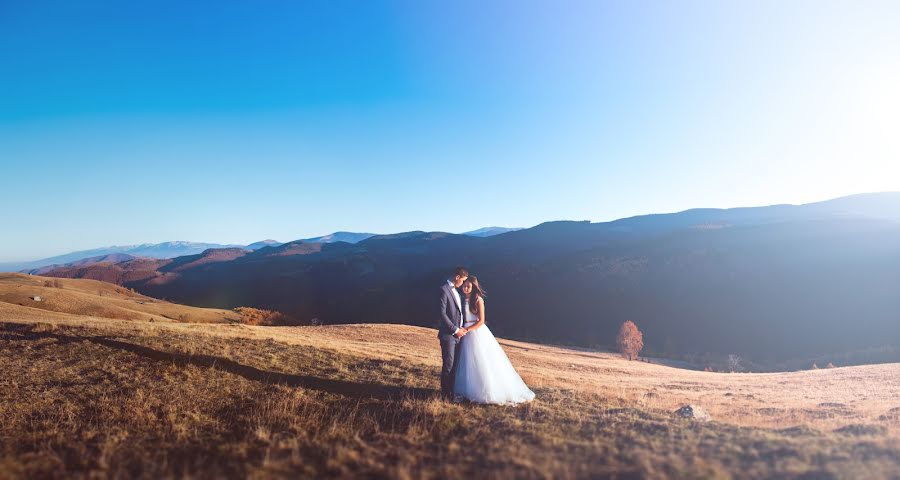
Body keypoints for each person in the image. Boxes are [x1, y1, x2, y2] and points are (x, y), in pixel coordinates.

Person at [452, 275, 535, 404]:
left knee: (482, 361)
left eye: (468, 286)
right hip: (465, 332)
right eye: (464, 285)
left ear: (474, 287)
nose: (465, 288)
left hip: (476, 333)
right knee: (468, 362)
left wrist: (467, 330)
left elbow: (481, 321)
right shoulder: (463, 299)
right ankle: (468, 390)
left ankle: (485, 391)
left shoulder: (478, 300)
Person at [437, 266, 468, 400]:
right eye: (462, 281)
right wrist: (455, 330)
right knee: (448, 366)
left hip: (459, 336)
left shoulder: (456, 292)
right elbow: (441, 314)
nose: (462, 284)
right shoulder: (443, 290)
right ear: (457, 277)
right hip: (449, 335)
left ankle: (452, 393)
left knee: (455, 367)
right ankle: (446, 396)